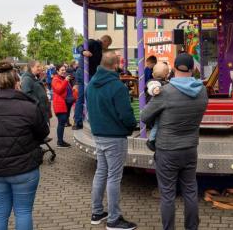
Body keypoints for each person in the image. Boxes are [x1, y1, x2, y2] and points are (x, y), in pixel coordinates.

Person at [0, 61, 50, 230]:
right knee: (23, 211)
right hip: (23, 168)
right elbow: (43, 134)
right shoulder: (29, 107)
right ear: (17, 84)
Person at [141, 53, 208, 230]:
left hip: (167, 150)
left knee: (168, 195)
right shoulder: (202, 91)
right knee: (190, 191)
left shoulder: (166, 92)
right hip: (190, 148)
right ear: (193, 69)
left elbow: (144, 115)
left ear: (174, 69)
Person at [86, 51, 137, 230]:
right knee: (114, 177)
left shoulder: (91, 84)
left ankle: (97, 211)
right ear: (116, 65)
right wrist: (131, 127)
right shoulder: (117, 86)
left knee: (101, 172)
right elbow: (126, 114)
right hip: (115, 136)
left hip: (98, 134)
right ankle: (114, 219)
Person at [145, 62, 170, 151]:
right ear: (166, 75)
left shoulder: (166, 83)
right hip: (156, 109)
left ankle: (155, 138)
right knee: (157, 124)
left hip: (159, 109)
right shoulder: (153, 83)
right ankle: (151, 140)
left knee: (158, 125)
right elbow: (152, 86)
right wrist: (155, 89)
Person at [51, 64, 75, 147]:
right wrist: (66, 80)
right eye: (62, 70)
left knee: (62, 122)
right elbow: (59, 90)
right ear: (57, 71)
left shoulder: (62, 78)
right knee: (61, 123)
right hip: (60, 104)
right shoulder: (55, 79)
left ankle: (60, 141)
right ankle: (60, 142)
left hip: (65, 104)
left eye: (64, 70)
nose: (64, 72)